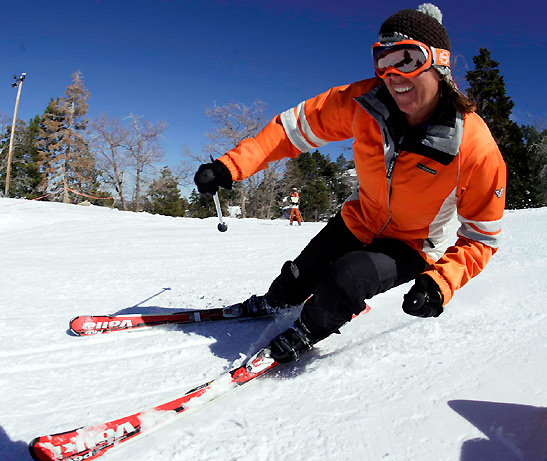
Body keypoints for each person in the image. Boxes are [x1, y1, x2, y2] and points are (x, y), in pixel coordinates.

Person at [194, 4, 506, 363]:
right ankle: (276, 301)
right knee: (302, 272)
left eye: (407, 59)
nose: (392, 74)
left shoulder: (474, 146)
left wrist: (441, 283)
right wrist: (229, 167)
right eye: (382, 61)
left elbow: (481, 236)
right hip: (360, 219)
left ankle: (308, 329)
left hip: (412, 244)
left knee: (347, 278)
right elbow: (292, 130)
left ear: (438, 62)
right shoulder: (362, 103)